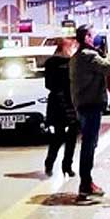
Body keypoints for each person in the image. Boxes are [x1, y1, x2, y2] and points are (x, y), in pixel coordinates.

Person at [69, 24, 110, 197]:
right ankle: (86, 184)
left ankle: (86, 182)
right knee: (89, 145)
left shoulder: (78, 56)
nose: (96, 38)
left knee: (89, 143)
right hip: (90, 105)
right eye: (93, 35)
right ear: (86, 37)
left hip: (84, 105)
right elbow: (109, 68)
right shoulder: (88, 56)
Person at [42, 37, 78, 178]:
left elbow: (48, 84)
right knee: (64, 136)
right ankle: (61, 165)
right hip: (64, 101)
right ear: (65, 47)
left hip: (61, 102)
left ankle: (59, 164)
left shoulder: (53, 62)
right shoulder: (62, 62)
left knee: (64, 136)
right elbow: (50, 83)